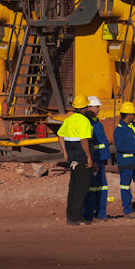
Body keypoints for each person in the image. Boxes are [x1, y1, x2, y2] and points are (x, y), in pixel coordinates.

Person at [56, 94, 95, 226]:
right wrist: (89, 157)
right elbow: (84, 140)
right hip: (81, 159)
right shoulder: (84, 121)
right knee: (81, 188)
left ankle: (70, 216)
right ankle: (76, 217)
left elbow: (60, 134)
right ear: (85, 108)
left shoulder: (69, 120)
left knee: (73, 188)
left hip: (72, 159)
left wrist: (65, 152)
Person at [83, 96, 109, 222]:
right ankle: (88, 214)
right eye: (96, 106)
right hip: (94, 159)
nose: (98, 109)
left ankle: (101, 214)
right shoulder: (88, 123)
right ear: (89, 107)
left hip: (101, 158)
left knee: (102, 186)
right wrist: (92, 160)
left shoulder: (96, 122)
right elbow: (89, 144)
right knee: (92, 187)